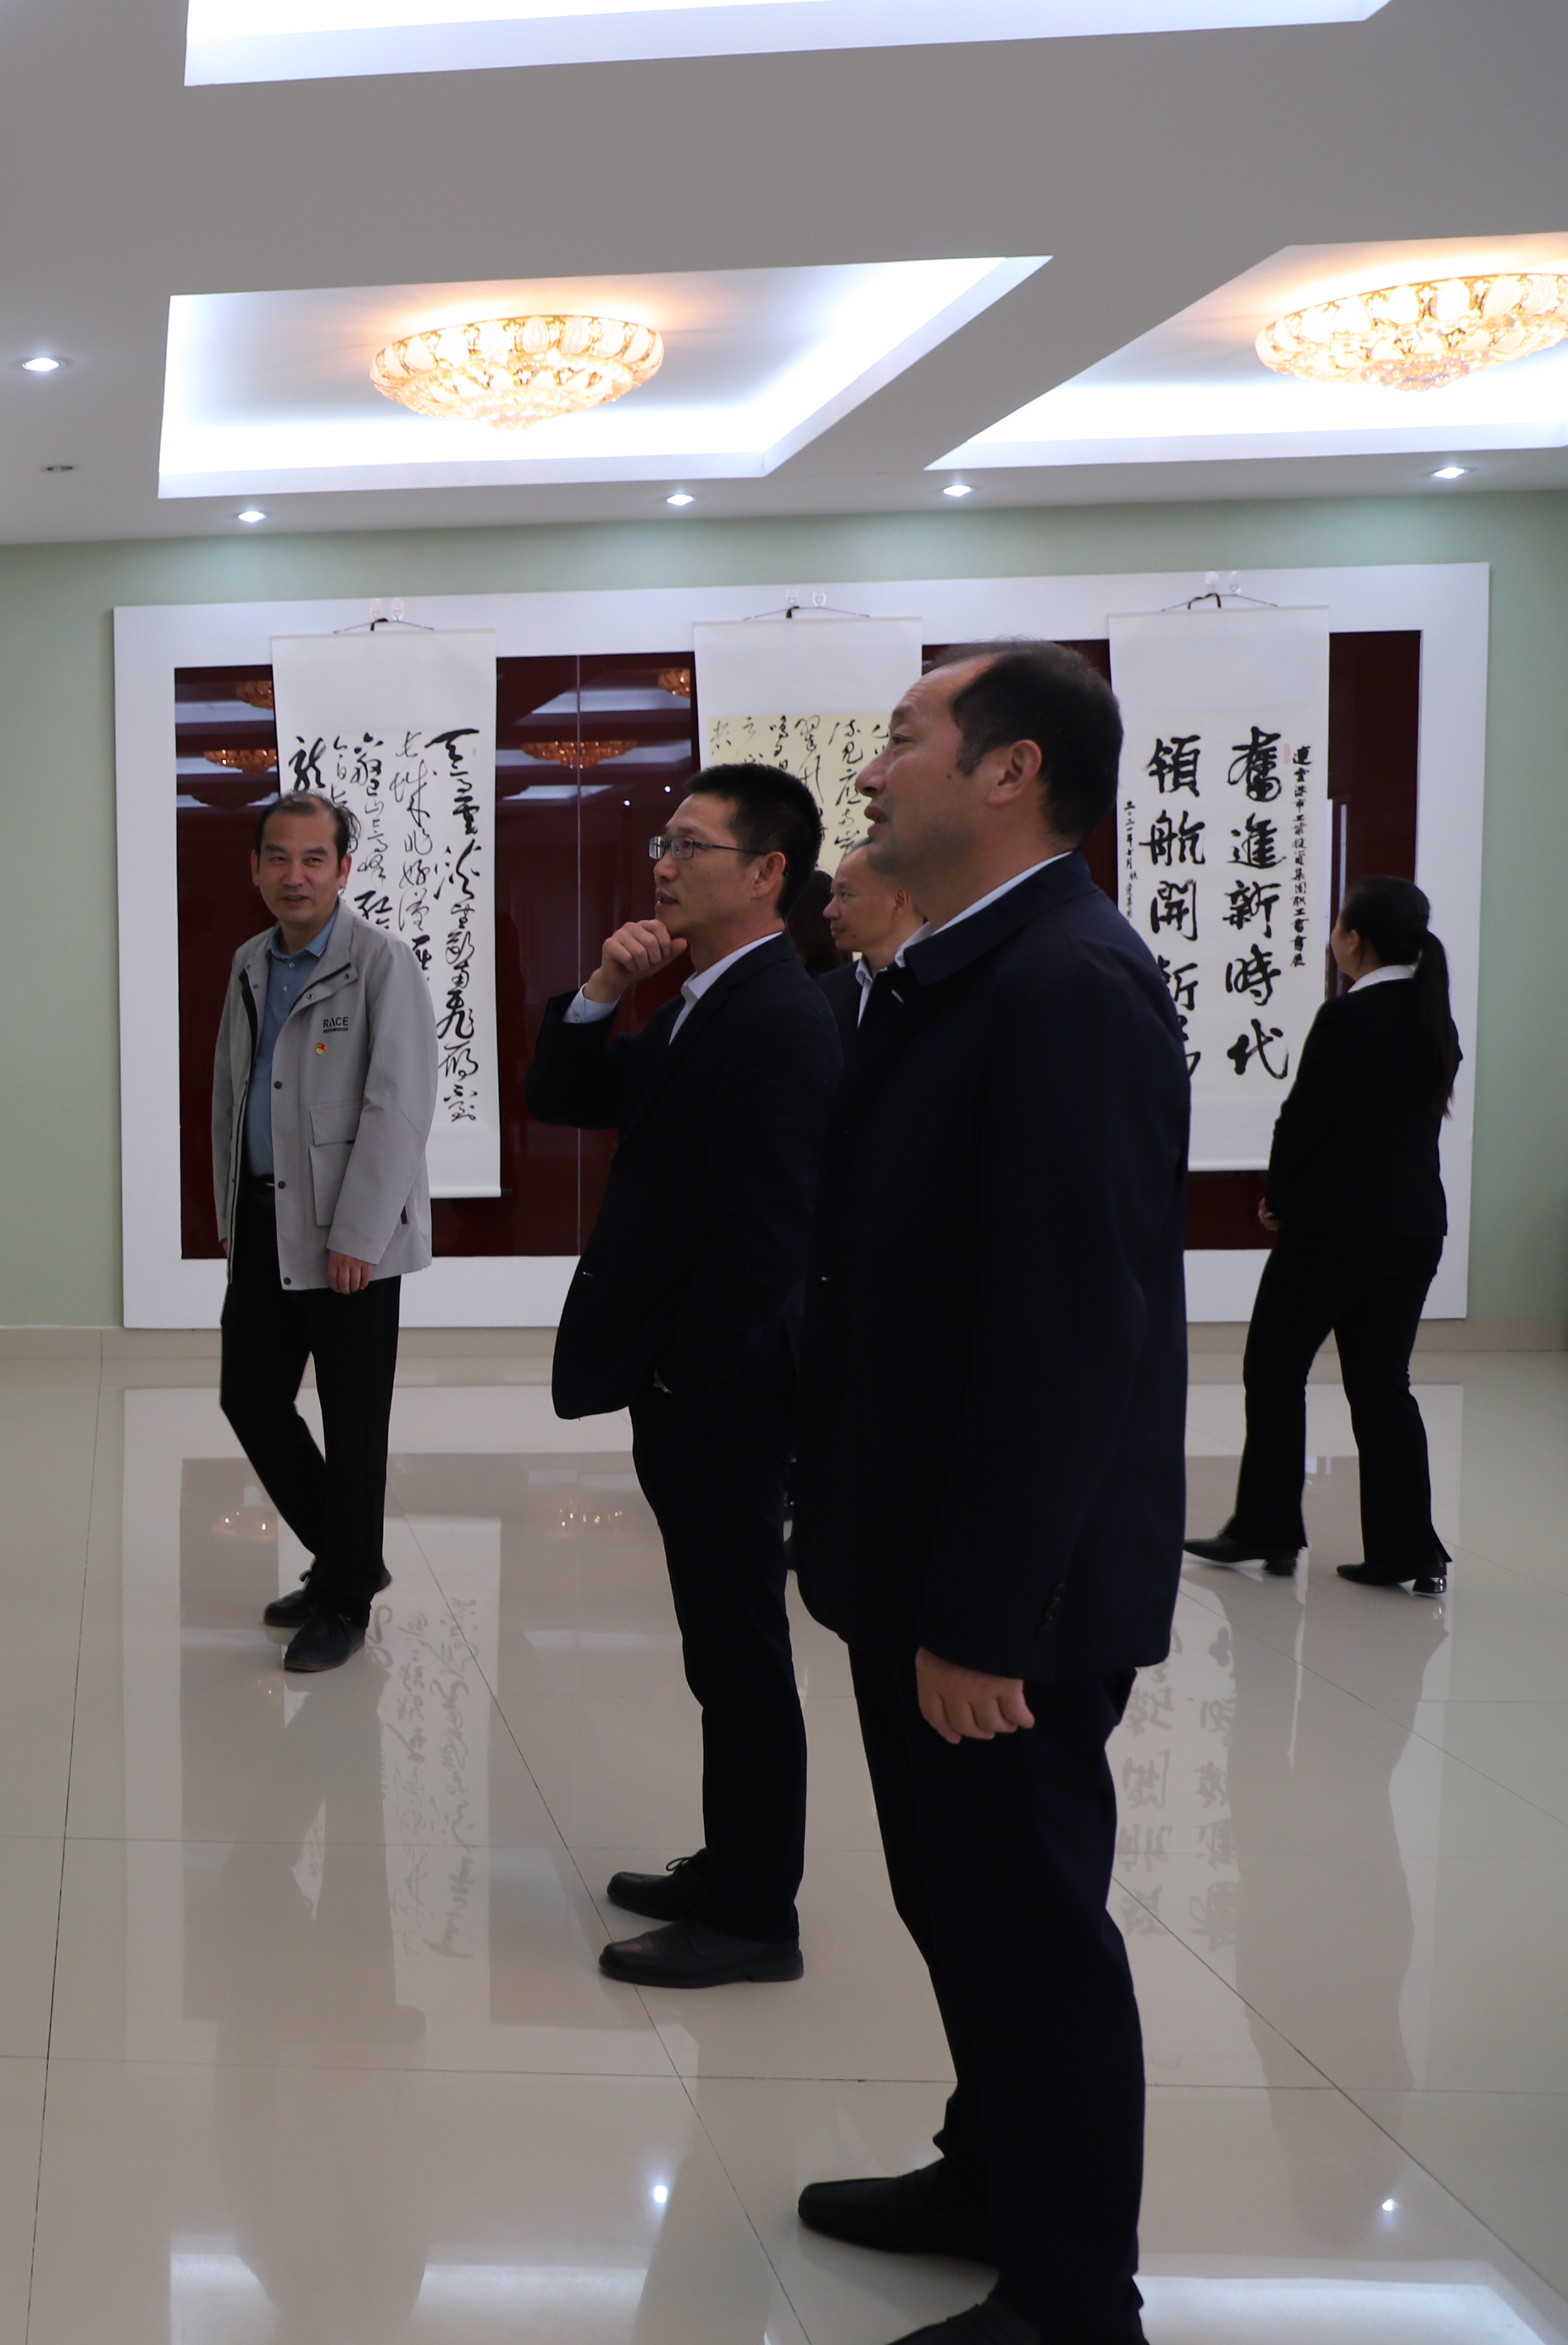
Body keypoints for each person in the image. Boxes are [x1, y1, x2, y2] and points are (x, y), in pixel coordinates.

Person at [792, 642, 1188, 2345]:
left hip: (1001, 1596)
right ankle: (989, 2176)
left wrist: (981, 1616)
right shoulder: (970, 967)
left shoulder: (1066, 985)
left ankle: (1072, 2295)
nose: (869, 773)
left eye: (903, 739)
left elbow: (1067, 1335)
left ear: (1011, 771)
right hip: (923, 1554)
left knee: (1026, 1926)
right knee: (955, 1901)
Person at [524, 764, 841, 1989]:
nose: (662, 862)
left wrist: (685, 1379)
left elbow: (768, 1239)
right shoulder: (706, 997)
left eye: (691, 845)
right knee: (719, 1644)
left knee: (741, 1649)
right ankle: (731, 1865)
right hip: (700, 1385)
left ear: (766, 873)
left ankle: (756, 1916)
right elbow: (564, 1093)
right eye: (662, 840)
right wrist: (604, 987)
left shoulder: (777, 1016)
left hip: (725, 1394)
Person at [211, 790, 440, 1676]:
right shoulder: (248, 962)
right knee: (250, 1398)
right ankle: (350, 1558)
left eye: (313, 858)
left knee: (352, 1420)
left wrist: (360, 1234)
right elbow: (232, 1095)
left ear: (343, 869)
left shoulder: (381, 962)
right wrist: (228, 1214)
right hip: (263, 1224)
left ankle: (342, 1600)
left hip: (350, 1240)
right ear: (255, 866)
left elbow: (398, 1106)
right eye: (277, 857)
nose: (294, 875)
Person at [1185, 876, 1460, 1595]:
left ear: (1354, 940)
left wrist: (1279, 1198)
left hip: (1337, 1229)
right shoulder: (1432, 1018)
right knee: (1382, 1384)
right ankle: (1410, 1550)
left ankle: (1267, 1528)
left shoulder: (1349, 1019)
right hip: (1414, 1228)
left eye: (1338, 926)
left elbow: (1303, 1121)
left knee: (1275, 1369)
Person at [819, 841, 923, 1033]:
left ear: (899, 901)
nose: (829, 911)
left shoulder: (954, 987)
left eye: (845, 895)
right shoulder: (824, 993)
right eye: (833, 895)